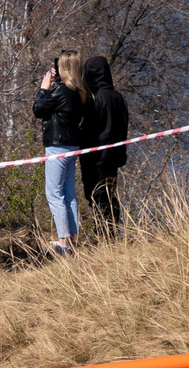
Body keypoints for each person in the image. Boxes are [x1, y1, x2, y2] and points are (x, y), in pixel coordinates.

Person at [31, 51, 99, 256]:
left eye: (56, 67)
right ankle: (68, 239)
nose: (53, 71)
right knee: (68, 192)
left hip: (57, 146)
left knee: (53, 193)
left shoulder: (60, 91)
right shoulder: (80, 92)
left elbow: (38, 109)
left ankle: (62, 242)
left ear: (64, 68)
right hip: (72, 146)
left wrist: (43, 89)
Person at [79, 55, 129, 235]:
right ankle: (113, 232)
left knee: (98, 197)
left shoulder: (98, 99)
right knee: (111, 196)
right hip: (115, 157)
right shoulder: (118, 97)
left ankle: (105, 235)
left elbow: (92, 129)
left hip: (98, 159)